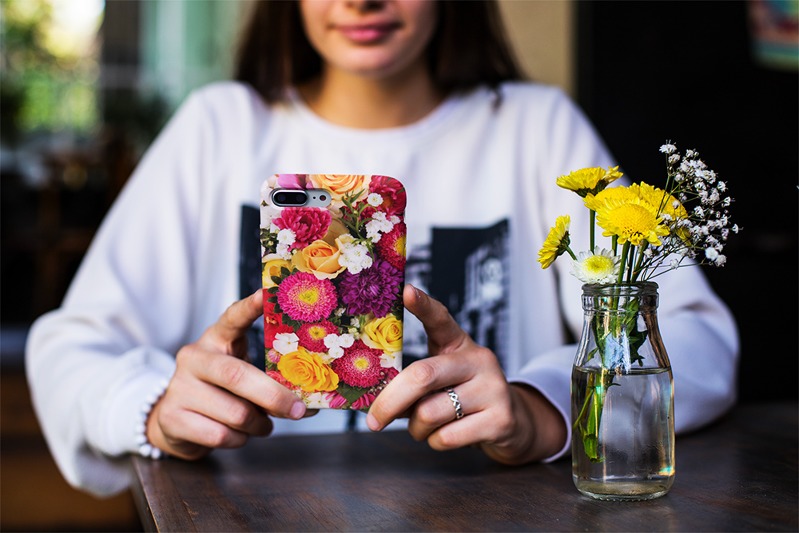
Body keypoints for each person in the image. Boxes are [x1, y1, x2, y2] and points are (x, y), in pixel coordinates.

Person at [26, 0, 739, 497]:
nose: (361, 1)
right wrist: (154, 409)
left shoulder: (535, 126)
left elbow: (694, 336)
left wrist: (540, 405)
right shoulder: (219, 127)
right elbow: (71, 346)